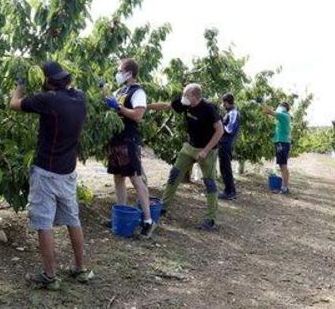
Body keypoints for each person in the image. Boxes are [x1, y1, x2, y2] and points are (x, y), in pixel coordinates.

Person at [9, 61, 93, 290]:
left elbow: (14, 104)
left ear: (48, 81)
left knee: (43, 222)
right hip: (68, 172)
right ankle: (80, 268)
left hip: (46, 171)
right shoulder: (80, 98)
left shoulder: (48, 100)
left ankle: (49, 275)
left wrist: (20, 84)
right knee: (72, 219)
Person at [148, 83, 224, 230]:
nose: (183, 97)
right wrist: (147, 106)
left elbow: (220, 131)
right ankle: (163, 207)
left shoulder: (209, 108)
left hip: (207, 150)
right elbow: (167, 106)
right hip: (189, 147)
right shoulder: (184, 104)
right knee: (174, 174)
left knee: (209, 183)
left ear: (195, 96)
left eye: (186, 95)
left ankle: (210, 219)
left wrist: (205, 151)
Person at [103, 58, 156, 238]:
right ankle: (122, 214)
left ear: (129, 73)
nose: (117, 73)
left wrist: (118, 107)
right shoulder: (120, 91)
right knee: (118, 177)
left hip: (129, 140)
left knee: (135, 178)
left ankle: (148, 221)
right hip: (116, 140)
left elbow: (138, 115)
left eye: (120, 70)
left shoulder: (137, 91)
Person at [260, 100, 292, 194]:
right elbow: (269, 114)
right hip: (280, 142)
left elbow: (269, 111)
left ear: (283, 107)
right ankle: (284, 186)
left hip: (282, 143)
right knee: (282, 165)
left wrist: (262, 102)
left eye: (279, 106)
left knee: (283, 165)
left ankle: (284, 188)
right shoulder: (282, 116)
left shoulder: (284, 115)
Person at [218, 93, 241, 200]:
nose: (223, 105)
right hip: (224, 144)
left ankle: (230, 192)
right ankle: (228, 191)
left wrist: (219, 123)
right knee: (224, 168)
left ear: (227, 102)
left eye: (223, 103)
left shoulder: (233, 113)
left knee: (226, 168)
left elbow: (229, 129)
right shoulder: (230, 113)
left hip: (226, 144)